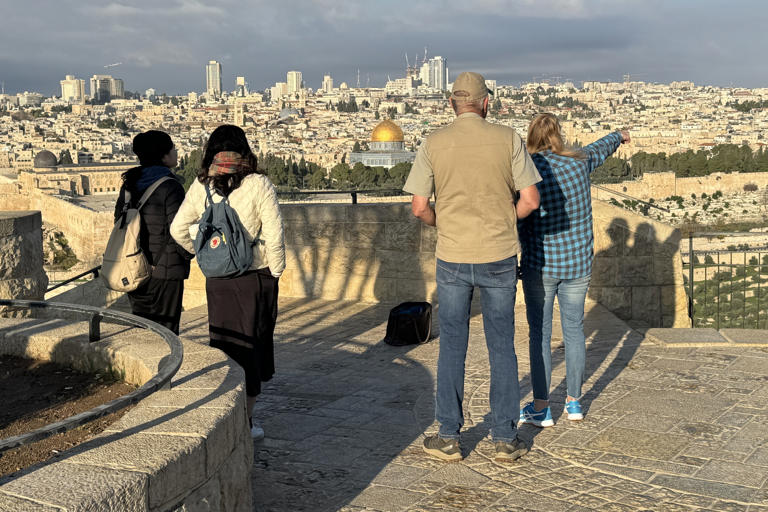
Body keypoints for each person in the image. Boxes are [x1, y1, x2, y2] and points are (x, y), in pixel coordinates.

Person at [404, 72, 542, 462]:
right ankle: (503, 438)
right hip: (498, 254)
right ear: (486, 103)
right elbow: (530, 200)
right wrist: (504, 220)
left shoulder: (434, 142)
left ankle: (448, 435)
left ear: (452, 103)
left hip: (453, 254)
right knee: (501, 346)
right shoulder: (508, 138)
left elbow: (419, 208)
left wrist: (444, 223)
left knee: (452, 345)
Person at [170, 124, 285, 441]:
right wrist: (275, 271)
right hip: (254, 279)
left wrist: (205, 254)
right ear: (244, 151)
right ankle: (247, 422)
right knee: (254, 346)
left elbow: (178, 229)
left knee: (225, 345)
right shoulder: (258, 184)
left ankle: (224, 420)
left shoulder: (201, 185)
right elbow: (275, 236)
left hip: (218, 281)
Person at [518, 113, 630, 427]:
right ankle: (575, 403)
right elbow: (601, 147)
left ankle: (542, 407)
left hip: (540, 265)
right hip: (577, 263)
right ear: (558, 135)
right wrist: (619, 135)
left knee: (539, 336)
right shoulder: (579, 162)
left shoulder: (528, 170)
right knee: (574, 332)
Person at [115, 130, 192, 335]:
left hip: (134, 268)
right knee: (166, 331)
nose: (176, 152)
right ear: (164, 155)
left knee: (143, 330)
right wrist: (188, 254)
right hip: (165, 272)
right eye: (173, 149)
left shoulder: (129, 185)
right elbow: (179, 229)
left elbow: (119, 222)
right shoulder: (171, 186)